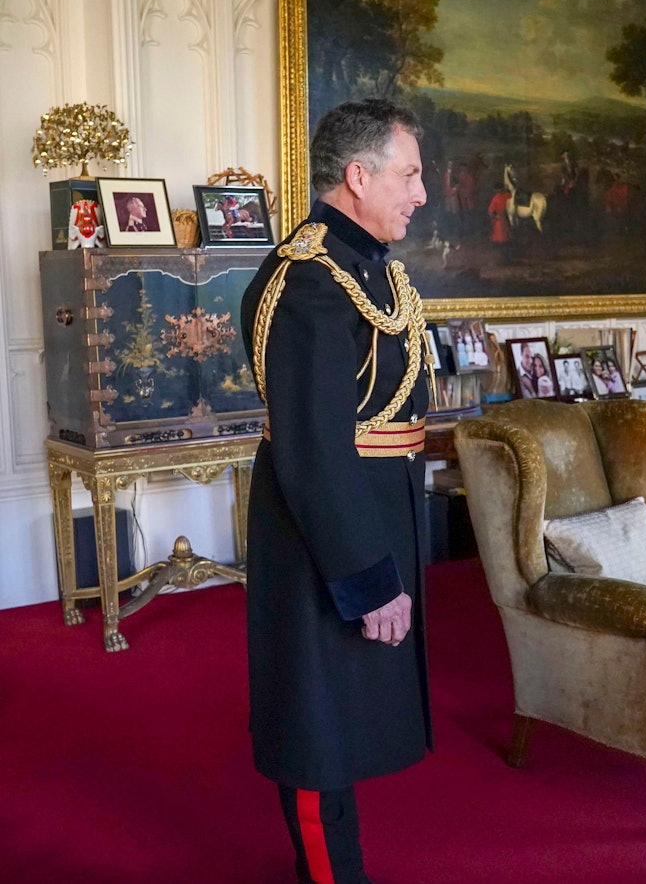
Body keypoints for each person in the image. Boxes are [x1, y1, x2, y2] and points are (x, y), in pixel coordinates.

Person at [239, 98, 433, 884]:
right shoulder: (308, 282)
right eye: (410, 175)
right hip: (324, 532)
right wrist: (367, 577)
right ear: (358, 176)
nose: (421, 193)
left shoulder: (372, 269)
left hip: (375, 510)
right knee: (318, 729)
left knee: (345, 718)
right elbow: (316, 452)